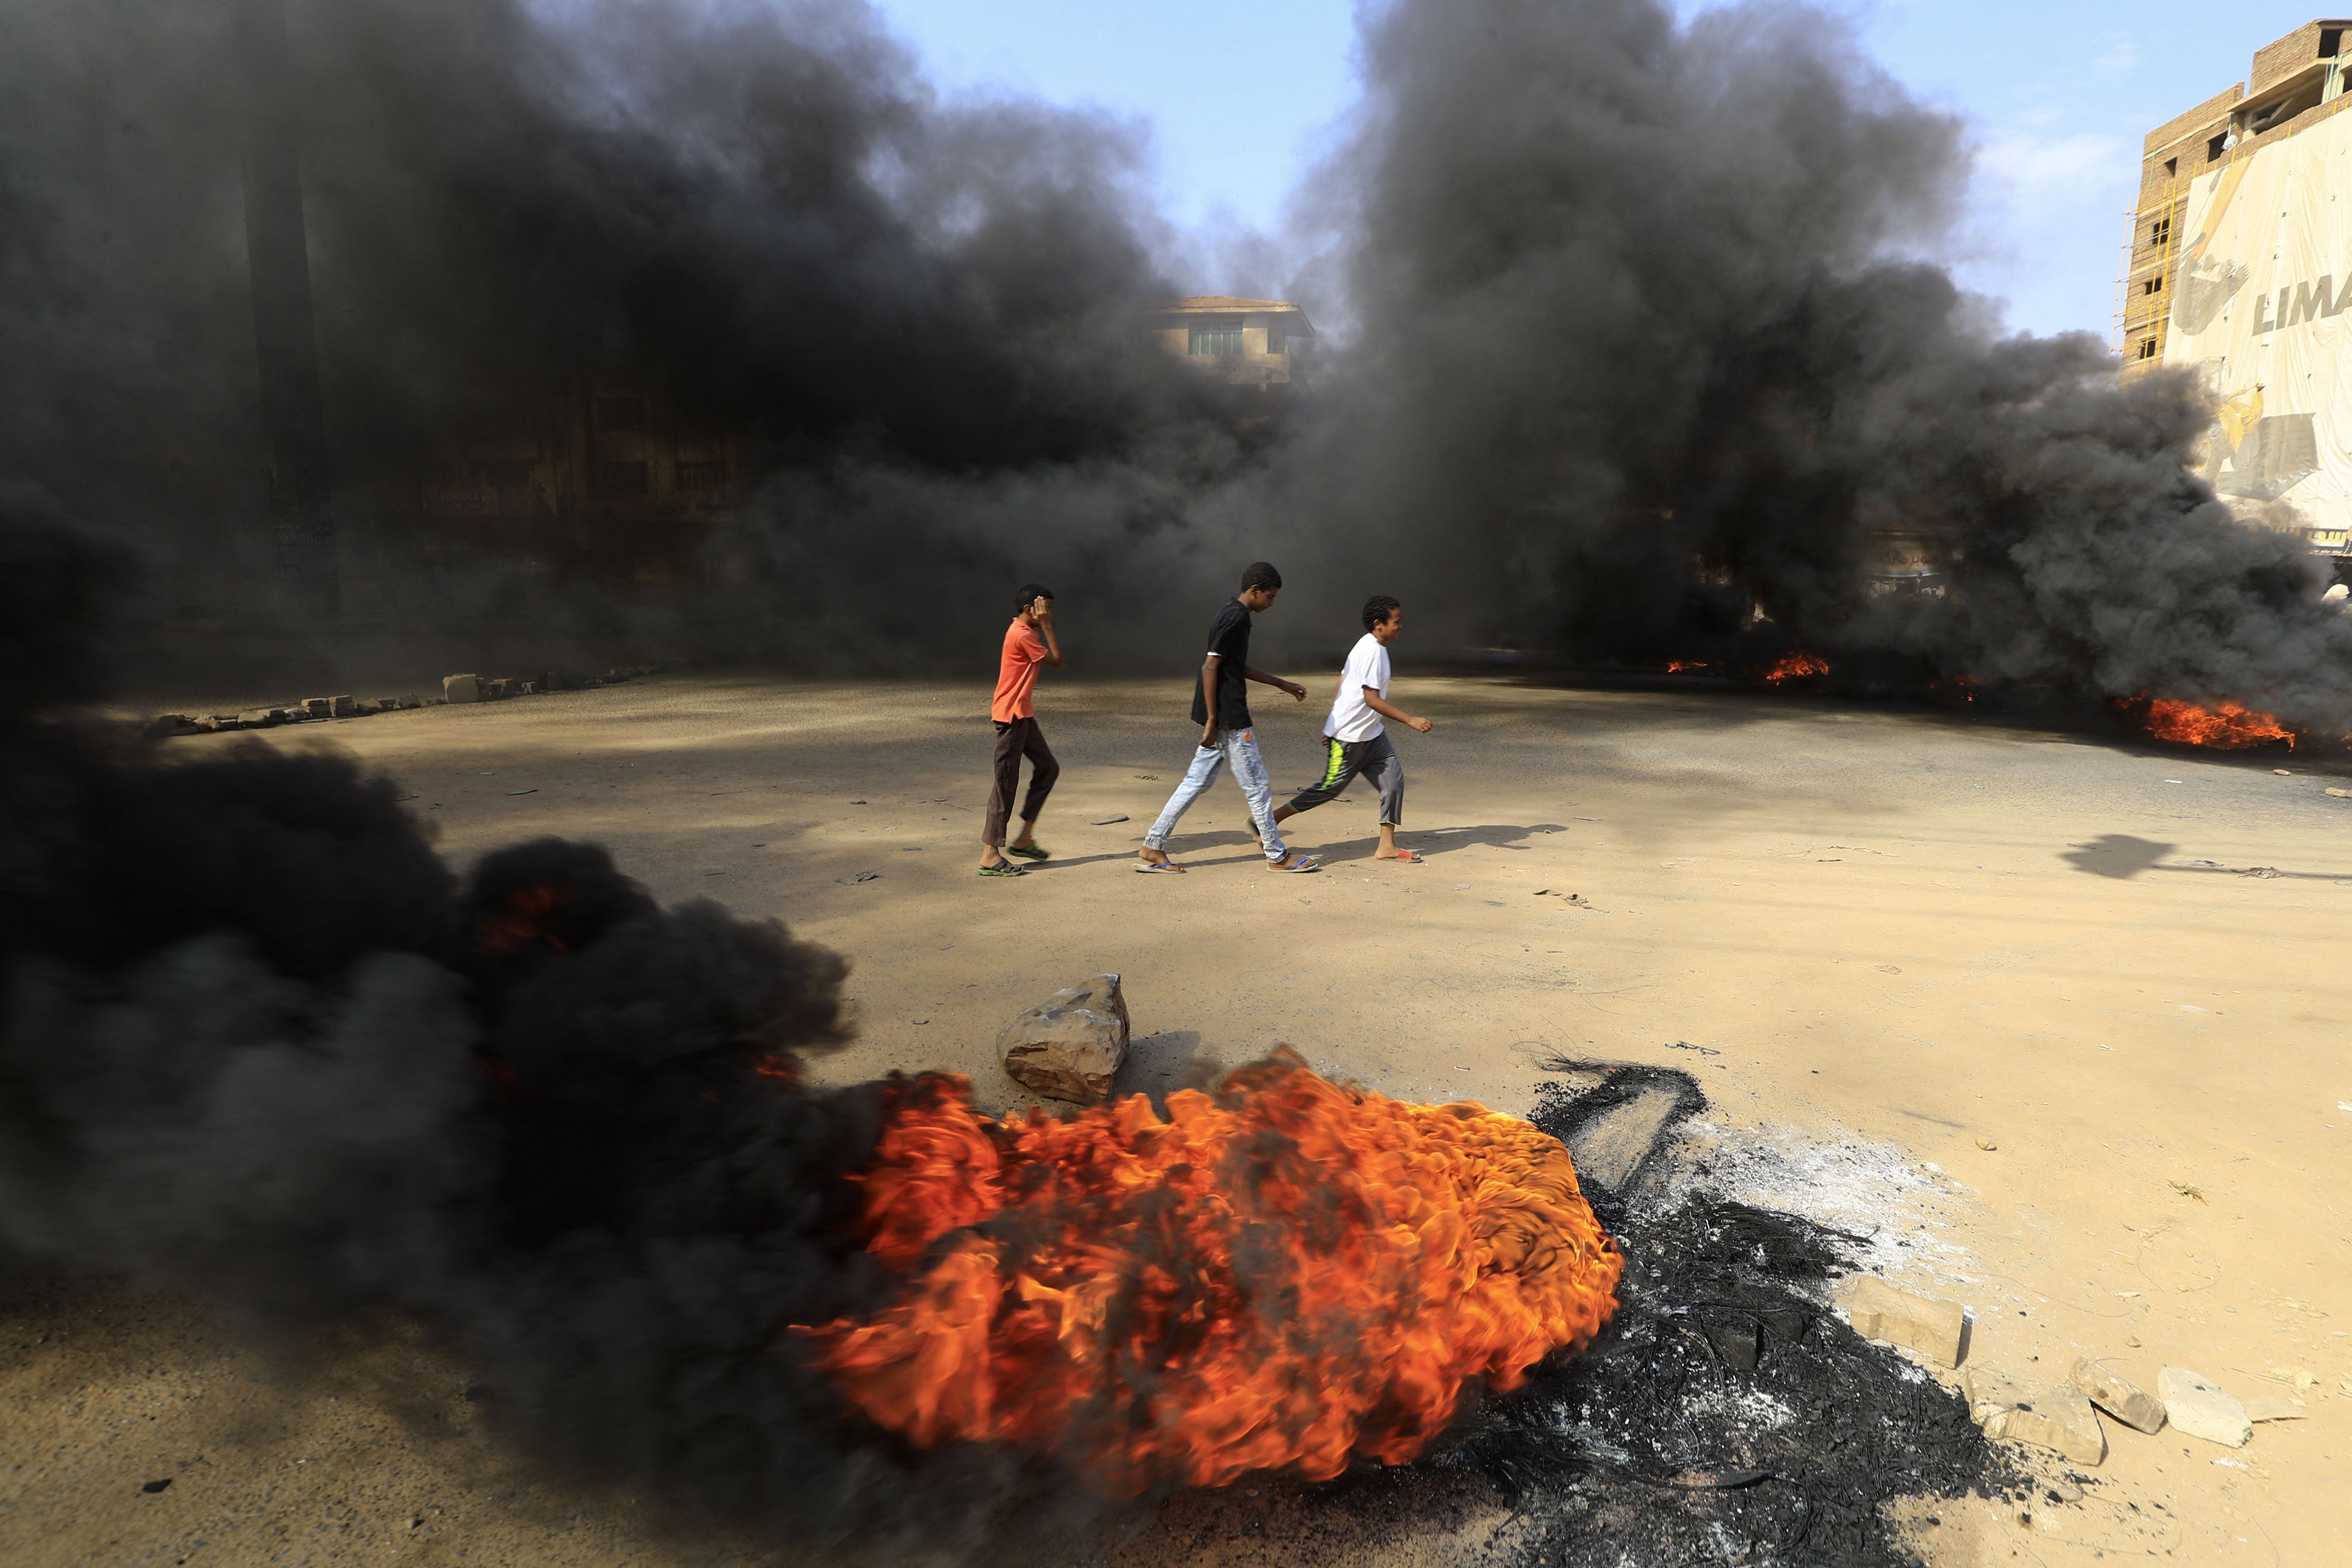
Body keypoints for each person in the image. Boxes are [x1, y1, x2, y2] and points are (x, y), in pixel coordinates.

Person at [1137, 562, 1320, 874]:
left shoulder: (1235, 615)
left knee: (1196, 782)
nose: (1272, 603)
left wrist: (1281, 684)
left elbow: (1233, 666)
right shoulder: (1235, 617)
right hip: (1229, 719)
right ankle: (1277, 856)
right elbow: (1210, 667)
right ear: (1255, 591)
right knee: (1259, 787)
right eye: (1271, 597)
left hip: (1222, 716)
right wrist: (1212, 719)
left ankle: (1153, 845)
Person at [1264, 594, 1433, 863]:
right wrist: (1410, 719)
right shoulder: (1372, 652)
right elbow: (1372, 699)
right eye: (1396, 622)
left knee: (1393, 781)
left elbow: (1344, 678)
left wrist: (1334, 718)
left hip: (1373, 734)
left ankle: (1386, 847)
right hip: (1350, 739)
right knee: (1329, 789)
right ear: (1380, 624)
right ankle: (1271, 821)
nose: (1401, 626)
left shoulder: (1369, 644)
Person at [980, 584, 1063, 877]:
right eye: (1046, 608)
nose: (1049, 614)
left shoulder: (1025, 631)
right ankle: (990, 854)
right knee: (1005, 784)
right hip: (1011, 717)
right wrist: (1048, 626)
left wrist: (1043, 625)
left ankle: (1024, 838)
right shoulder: (1023, 634)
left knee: (1048, 768)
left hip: (1023, 714)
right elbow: (1058, 662)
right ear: (1031, 609)